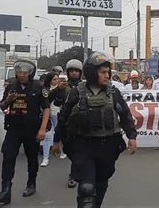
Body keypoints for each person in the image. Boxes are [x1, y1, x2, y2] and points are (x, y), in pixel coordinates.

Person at [52, 52, 137, 207]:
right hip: (84, 146)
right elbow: (64, 117)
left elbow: (125, 115)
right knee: (87, 188)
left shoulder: (113, 92)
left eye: (108, 72)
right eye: (103, 72)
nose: (107, 76)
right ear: (92, 73)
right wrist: (57, 140)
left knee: (101, 185)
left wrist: (132, 136)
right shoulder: (77, 92)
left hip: (108, 147)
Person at [0, 59, 51, 204]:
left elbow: (46, 108)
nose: (21, 75)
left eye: (24, 72)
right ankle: (5, 190)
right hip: (14, 128)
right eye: (19, 72)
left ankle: (31, 184)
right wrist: (9, 99)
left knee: (32, 158)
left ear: (30, 73)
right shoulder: (11, 86)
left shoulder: (39, 87)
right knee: (8, 156)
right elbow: (3, 106)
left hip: (32, 129)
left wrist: (42, 129)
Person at [52, 59, 83, 188]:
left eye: (77, 71)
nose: (74, 73)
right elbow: (54, 102)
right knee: (70, 150)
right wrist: (58, 90)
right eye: (72, 71)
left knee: (79, 151)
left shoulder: (84, 87)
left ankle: (74, 174)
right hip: (66, 122)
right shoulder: (63, 87)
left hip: (81, 123)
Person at [40, 72, 60, 167]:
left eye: (57, 79)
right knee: (48, 135)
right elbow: (47, 99)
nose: (56, 81)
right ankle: (45, 158)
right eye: (54, 79)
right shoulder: (45, 90)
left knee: (59, 134)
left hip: (58, 114)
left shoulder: (62, 90)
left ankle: (61, 150)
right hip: (47, 114)